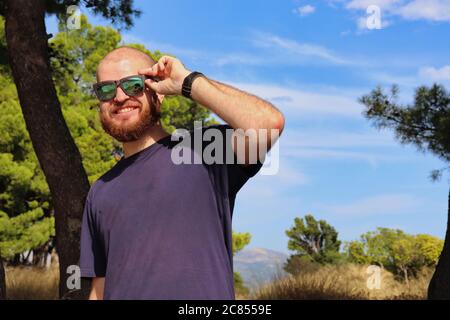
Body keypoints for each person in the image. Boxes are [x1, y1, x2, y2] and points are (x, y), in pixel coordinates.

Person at [80, 46, 285, 299]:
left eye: (133, 85)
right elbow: (99, 291)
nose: (119, 97)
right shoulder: (100, 191)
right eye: (107, 89)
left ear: (158, 92)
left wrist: (187, 82)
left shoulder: (203, 149)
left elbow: (268, 124)